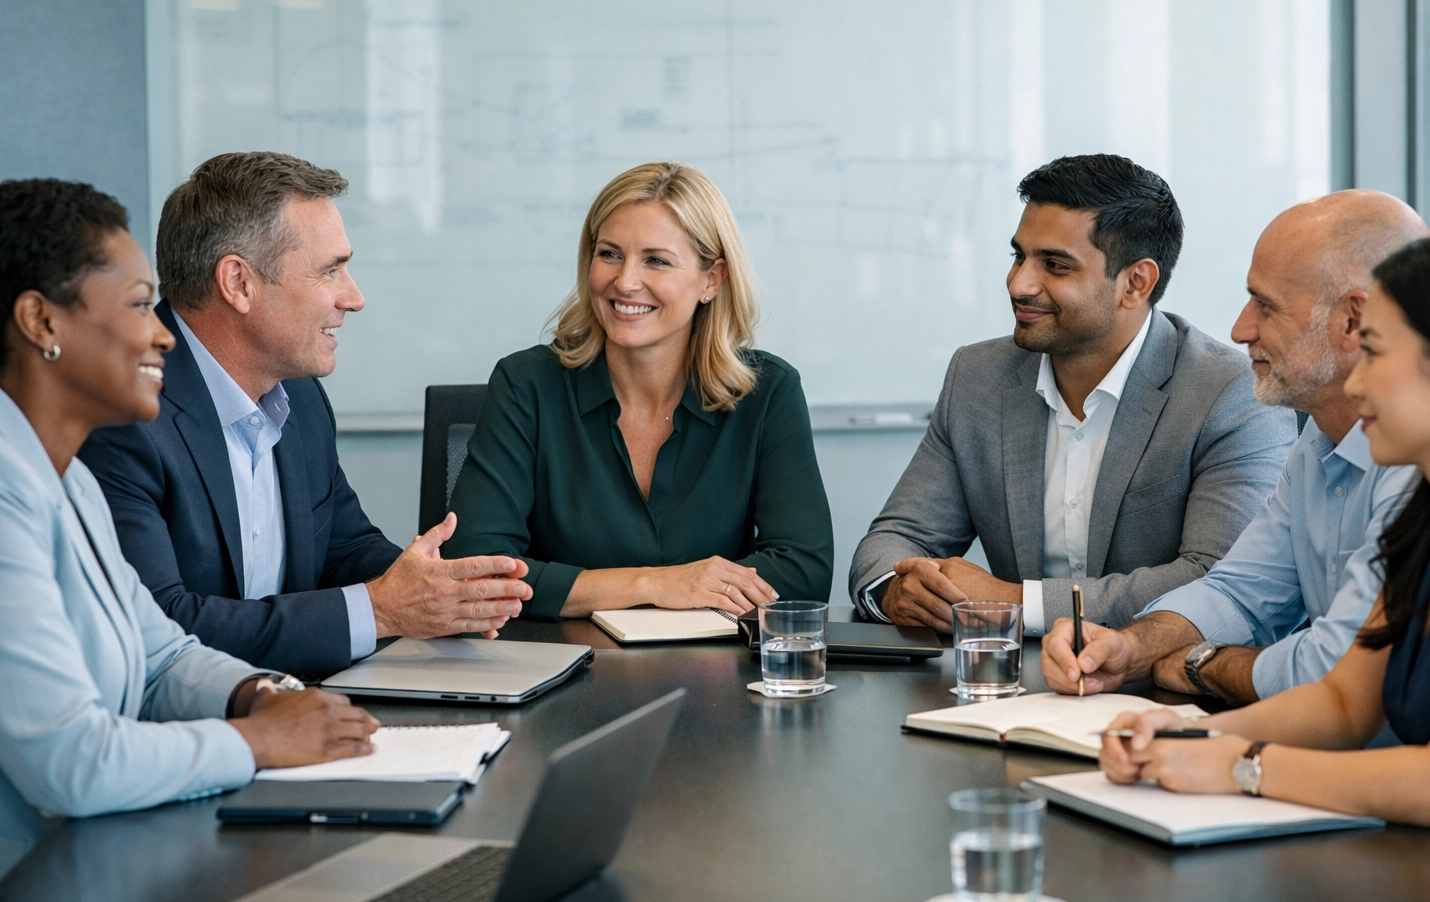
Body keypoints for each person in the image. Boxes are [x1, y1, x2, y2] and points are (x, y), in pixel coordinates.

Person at [1099, 230, 1430, 900]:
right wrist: (1187, 731)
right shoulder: (1429, 516)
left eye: (1377, 355)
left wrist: (1242, 765)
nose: (1355, 381)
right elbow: (1342, 703)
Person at [0, 179, 379, 879]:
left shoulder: (65, 478)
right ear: (42, 322)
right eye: (141, 305)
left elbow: (162, 657)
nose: (162, 333)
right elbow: (70, 761)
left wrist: (265, 696)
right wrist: (257, 740)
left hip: (93, 858)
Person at [78, 152, 531, 677]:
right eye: (330, 271)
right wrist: (382, 609)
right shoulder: (119, 413)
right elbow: (161, 626)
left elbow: (343, 546)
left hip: (298, 703)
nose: (354, 298)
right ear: (239, 283)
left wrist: (439, 593)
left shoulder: (302, 397)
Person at [849, 154, 1295, 632]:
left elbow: (1218, 579)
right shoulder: (978, 376)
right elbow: (895, 538)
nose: (1019, 284)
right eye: (1019, 255)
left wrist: (1017, 602)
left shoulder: (1230, 393)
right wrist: (898, 592)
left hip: (1164, 690)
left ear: (1135, 283)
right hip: (1010, 691)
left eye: (1055, 266)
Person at [1041, 191, 1428, 704]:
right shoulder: (1317, 438)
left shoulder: (1424, 462)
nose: (1240, 329)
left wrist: (1202, 664)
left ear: (1354, 321)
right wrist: (1129, 647)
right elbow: (1239, 593)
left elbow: (1333, 669)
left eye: (1265, 306)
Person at [442, 162, 833, 619]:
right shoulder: (526, 384)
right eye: (609, 254)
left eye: (656, 260)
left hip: (714, 673)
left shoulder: (767, 393)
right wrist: (655, 583)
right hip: (558, 666)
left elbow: (803, 571)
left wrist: (587, 589)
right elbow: (474, 570)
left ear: (712, 279)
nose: (625, 281)